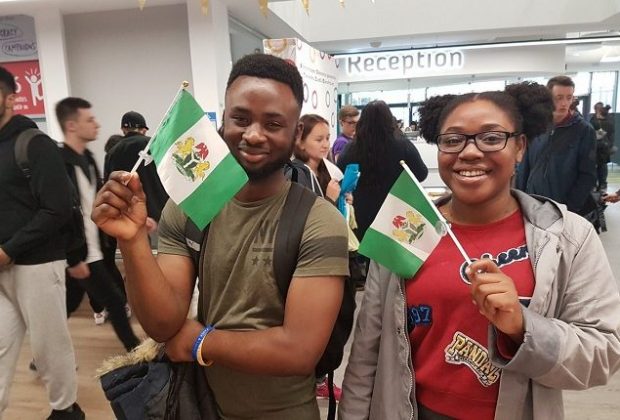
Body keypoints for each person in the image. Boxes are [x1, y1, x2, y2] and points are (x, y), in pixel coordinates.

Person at [339, 82, 620, 419]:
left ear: (520, 147)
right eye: (453, 140)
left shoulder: (565, 236)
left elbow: (604, 352)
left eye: (491, 137)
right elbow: (366, 352)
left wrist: (522, 327)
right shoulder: (407, 229)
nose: (470, 152)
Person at [92, 53, 349, 419]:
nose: (253, 134)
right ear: (224, 121)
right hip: (197, 404)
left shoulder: (317, 221)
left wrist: (200, 341)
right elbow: (163, 323)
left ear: (295, 135)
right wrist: (132, 241)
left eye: (273, 123)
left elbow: (298, 351)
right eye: (241, 119)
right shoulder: (190, 206)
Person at [0, 67, 85, 419]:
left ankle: (65, 411)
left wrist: (9, 249)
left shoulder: (34, 144)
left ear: (10, 98)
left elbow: (57, 209)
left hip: (37, 265)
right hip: (2, 271)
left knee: (49, 348)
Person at [55, 97, 139, 351]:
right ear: (72, 126)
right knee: (115, 301)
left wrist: (128, 214)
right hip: (79, 254)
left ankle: (41, 356)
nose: (97, 124)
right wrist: (74, 258)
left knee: (69, 304)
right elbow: (60, 213)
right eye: (90, 119)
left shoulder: (88, 159)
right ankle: (136, 351)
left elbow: (97, 202)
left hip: (92, 250)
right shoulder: (59, 164)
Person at [337, 100, 428, 241]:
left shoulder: (350, 149)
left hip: (361, 215)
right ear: (389, 120)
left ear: (362, 121)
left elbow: (339, 178)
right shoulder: (403, 145)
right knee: (393, 252)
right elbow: (421, 174)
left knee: (363, 251)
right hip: (396, 215)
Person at [516, 75, 597, 215]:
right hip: (532, 204)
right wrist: (520, 200)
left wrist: (570, 208)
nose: (564, 103)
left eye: (569, 97)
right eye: (559, 98)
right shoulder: (536, 125)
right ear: (549, 98)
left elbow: (587, 175)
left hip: (563, 208)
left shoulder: (584, 130)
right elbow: (524, 166)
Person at [105, 110, 168, 228]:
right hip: (163, 213)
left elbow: (109, 187)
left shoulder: (112, 152)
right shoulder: (155, 144)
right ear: (143, 130)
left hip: (130, 219)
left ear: (123, 129)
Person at [291, 114, 341, 202]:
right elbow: (300, 210)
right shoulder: (296, 175)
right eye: (319, 140)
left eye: (327, 138)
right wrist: (330, 199)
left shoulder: (327, 170)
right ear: (301, 143)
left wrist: (343, 200)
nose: (326, 145)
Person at [590, 102, 615, 192]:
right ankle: (602, 185)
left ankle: (597, 184)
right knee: (602, 166)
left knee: (598, 166)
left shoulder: (595, 121)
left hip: (599, 147)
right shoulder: (609, 120)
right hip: (604, 147)